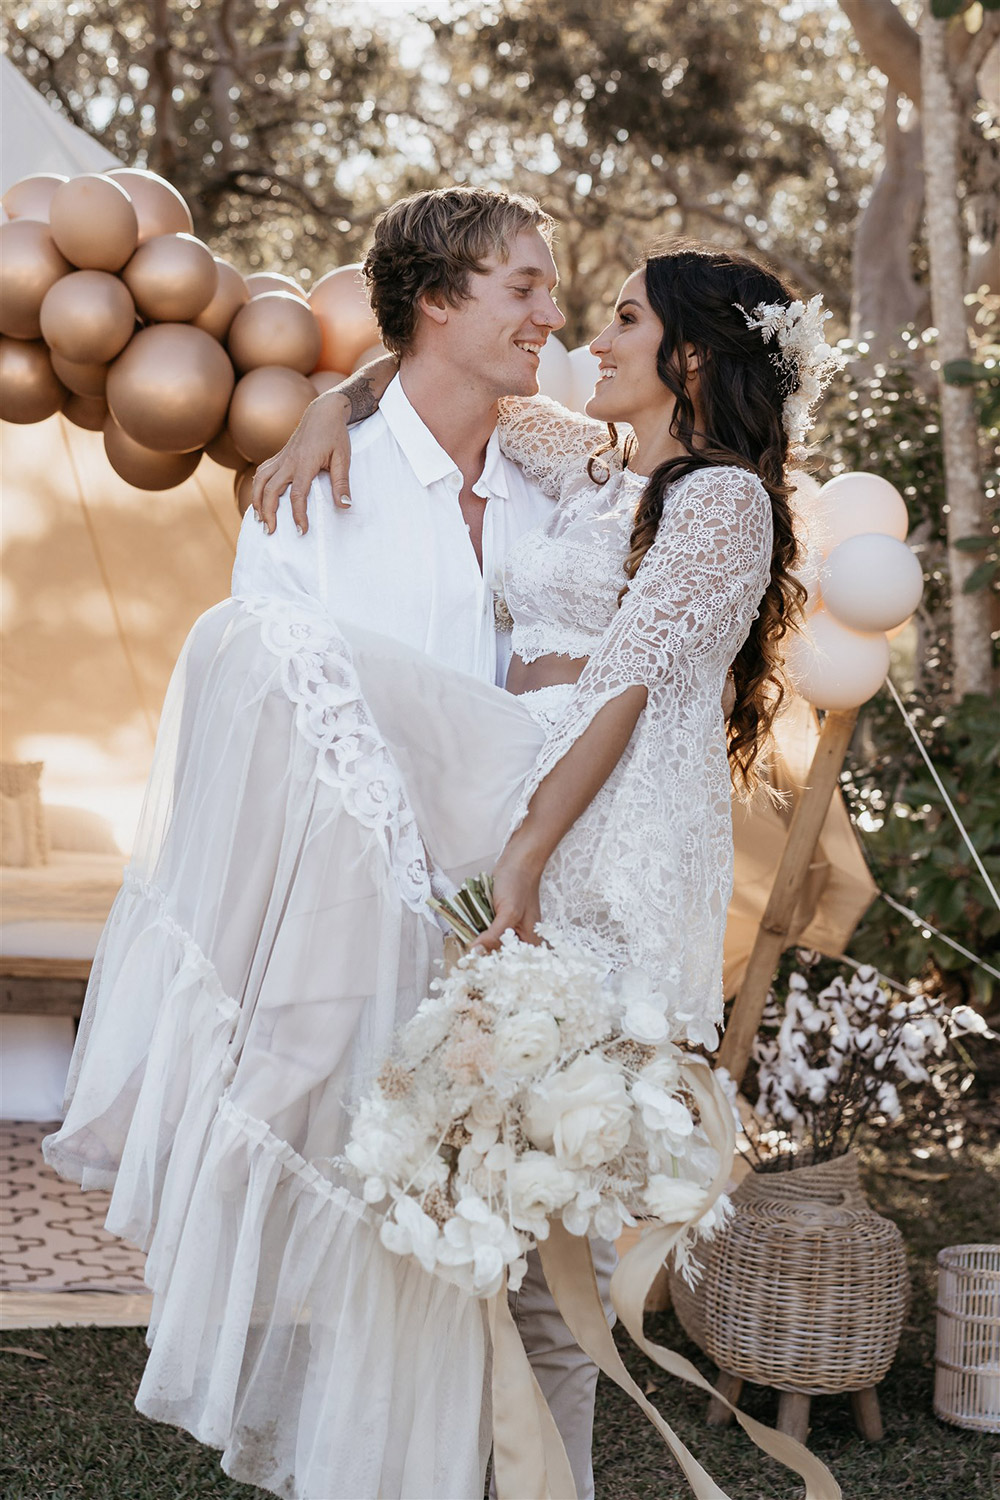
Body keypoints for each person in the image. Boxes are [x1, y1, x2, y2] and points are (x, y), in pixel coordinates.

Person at [45, 183, 837, 1500]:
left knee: (556, 1253)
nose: (582, 330)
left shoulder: (722, 505)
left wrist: (523, 852)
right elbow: (420, 383)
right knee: (493, 1231)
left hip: (588, 843)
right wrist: (327, 403)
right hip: (513, 823)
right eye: (545, 294)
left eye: (622, 318)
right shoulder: (594, 463)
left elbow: (626, 688)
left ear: (693, 360)